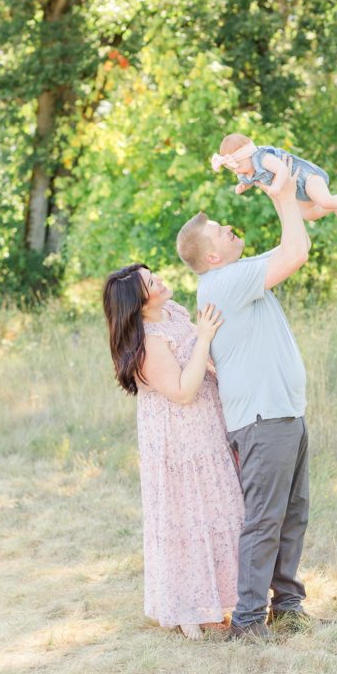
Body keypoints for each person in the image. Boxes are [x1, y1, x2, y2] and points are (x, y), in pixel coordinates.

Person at [175, 164, 314, 640]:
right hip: (262, 421)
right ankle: (250, 622)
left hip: (285, 413)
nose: (230, 227)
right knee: (265, 521)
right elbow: (296, 251)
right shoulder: (223, 284)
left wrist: (299, 196)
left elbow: (295, 238)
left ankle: (289, 606)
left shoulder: (240, 274)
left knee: (292, 515)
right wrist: (281, 196)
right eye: (220, 229)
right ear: (212, 255)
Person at [103, 266, 244, 640]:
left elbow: (202, 360)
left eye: (154, 276)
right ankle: (189, 607)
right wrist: (204, 339)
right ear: (138, 301)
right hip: (179, 437)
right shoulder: (148, 341)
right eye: (152, 283)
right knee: (189, 515)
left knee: (222, 508)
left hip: (207, 424)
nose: (161, 281)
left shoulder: (175, 312)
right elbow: (182, 391)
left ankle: (223, 598)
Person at [211, 132, 337, 222]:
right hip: (297, 190)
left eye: (238, 167)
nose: (238, 172)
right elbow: (252, 181)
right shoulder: (246, 171)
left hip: (305, 177)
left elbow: (282, 169)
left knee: (324, 200)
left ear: (248, 155)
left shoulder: (262, 157)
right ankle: (335, 206)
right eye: (234, 170)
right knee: (308, 215)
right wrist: (243, 186)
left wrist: (276, 186)